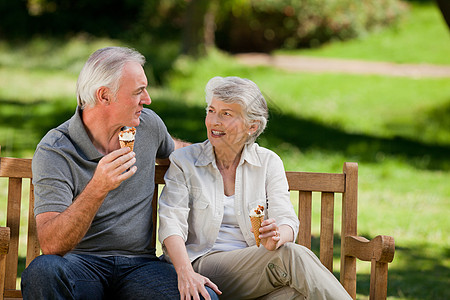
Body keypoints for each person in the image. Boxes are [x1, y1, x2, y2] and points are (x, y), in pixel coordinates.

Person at [21, 47, 217, 300]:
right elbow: (51, 244)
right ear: (104, 96)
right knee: (42, 271)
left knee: (204, 297)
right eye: (138, 92)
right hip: (80, 266)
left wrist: (228, 149)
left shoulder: (148, 126)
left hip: (140, 267)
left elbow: (180, 151)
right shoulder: (56, 149)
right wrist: (98, 187)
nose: (147, 99)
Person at [158, 76, 353, 300]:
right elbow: (171, 223)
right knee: (289, 256)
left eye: (226, 114)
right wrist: (186, 273)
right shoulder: (185, 161)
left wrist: (278, 237)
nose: (214, 121)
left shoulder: (268, 162)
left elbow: (286, 218)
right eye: (211, 111)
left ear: (252, 126)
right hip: (202, 267)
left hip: (254, 274)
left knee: (298, 295)